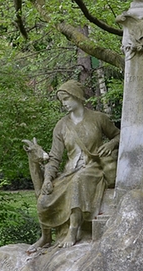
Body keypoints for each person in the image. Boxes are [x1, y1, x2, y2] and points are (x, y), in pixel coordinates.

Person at [28, 81, 120, 252]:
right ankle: (45, 236)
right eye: (61, 100)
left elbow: (119, 135)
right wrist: (48, 179)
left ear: (77, 96)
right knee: (43, 197)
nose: (64, 103)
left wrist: (111, 145)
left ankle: (73, 230)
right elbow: (55, 157)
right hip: (69, 171)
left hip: (93, 168)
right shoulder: (61, 126)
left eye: (66, 98)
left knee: (78, 181)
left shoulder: (98, 118)